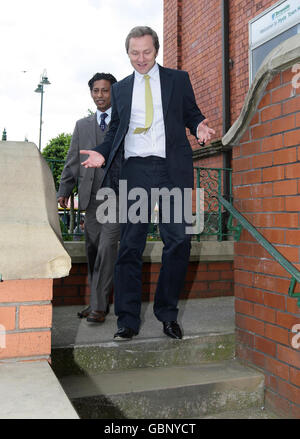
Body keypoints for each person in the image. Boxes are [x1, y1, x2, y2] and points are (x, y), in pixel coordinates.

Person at [80, 26, 215, 340]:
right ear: (127, 53)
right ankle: (127, 320)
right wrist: (101, 152)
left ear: (156, 51)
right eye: (134, 53)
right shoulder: (122, 88)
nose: (141, 59)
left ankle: (167, 314)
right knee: (129, 246)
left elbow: (191, 113)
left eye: (147, 52)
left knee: (179, 241)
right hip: (137, 170)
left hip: (172, 169)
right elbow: (115, 131)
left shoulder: (177, 80)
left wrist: (200, 127)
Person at [58, 72, 120, 323]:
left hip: (117, 197)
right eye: (95, 91)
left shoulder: (123, 122)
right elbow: (73, 160)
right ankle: (98, 304)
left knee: (107, 248)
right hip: (91, 199)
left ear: (113, 92)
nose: (100, 96)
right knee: (93, 251)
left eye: (105, 90)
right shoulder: (82, 125)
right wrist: (64, 190)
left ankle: (98, 306)